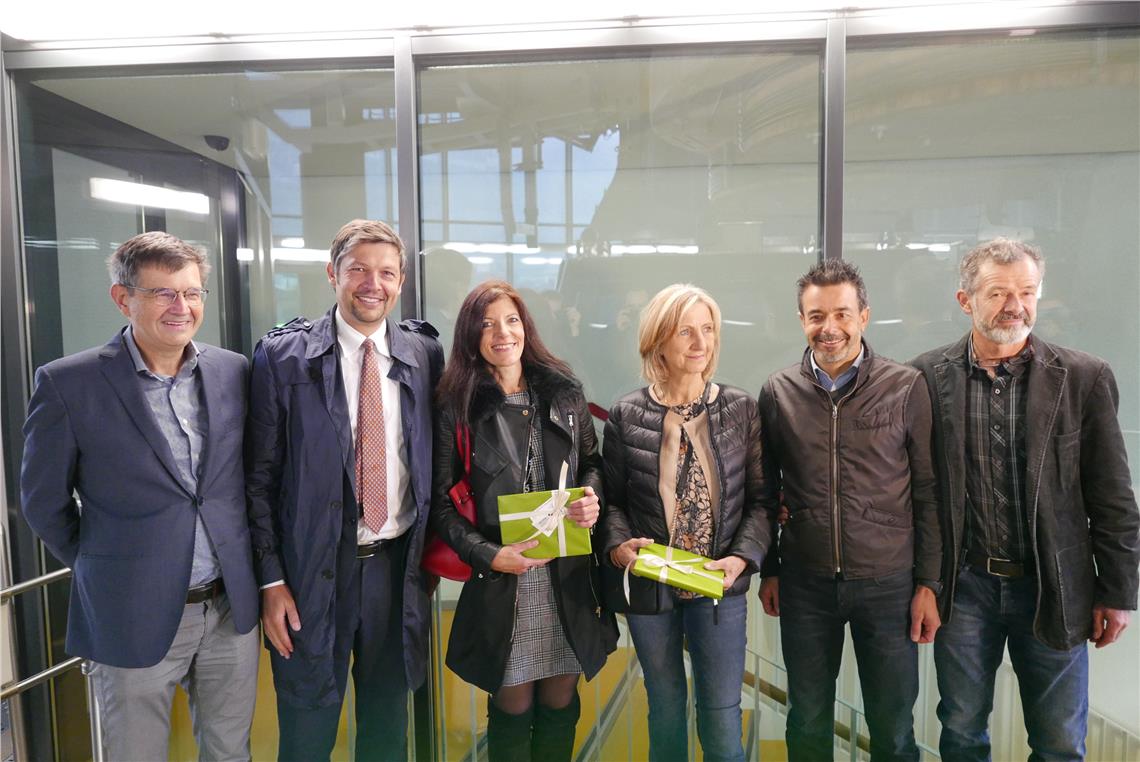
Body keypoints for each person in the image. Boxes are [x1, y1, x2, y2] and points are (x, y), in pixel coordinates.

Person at [20, 232, 259, 761]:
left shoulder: (233, 370)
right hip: (127, 610)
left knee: (230, 753)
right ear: (122, 298)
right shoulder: (69, 383)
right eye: (162, 293)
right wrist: (106, 565)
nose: (182, 307)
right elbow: (42, 502)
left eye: (192, 293)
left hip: (229, 608)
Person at [911, 238, 1139, 761]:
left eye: (1027, 291)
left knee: (1059, 741)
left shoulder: (1084, 378)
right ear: (966, 300)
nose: (1015, 305)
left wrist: (1118, 591)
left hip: (1055, 585)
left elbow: (1112, 496)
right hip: (964, 588)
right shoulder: (923, 377)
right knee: (961, 731)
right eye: (998, 293)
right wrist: (924, 582)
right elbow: (913, 491)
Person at [245, 219, 443, 761]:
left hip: (396, 571)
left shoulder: (423, 354)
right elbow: (258, 480)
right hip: (310, 574)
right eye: (358, 270)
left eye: (386, 272)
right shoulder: (283, 358)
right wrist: (271, 580)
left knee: (387, 730)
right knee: (308, 731)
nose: (372, 284)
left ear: (401, 280)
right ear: (333, 274)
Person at [757, 259, 941, 762]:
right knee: (807, 719)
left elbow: (928, 492)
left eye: (842, 313)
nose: (830, 327)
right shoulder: (778, 392)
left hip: (889, 584)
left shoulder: (905, 386)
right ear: (801, 320)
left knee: (893, 727)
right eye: (817, 316)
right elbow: (765, 490)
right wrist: (770, 568)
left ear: (864, 316)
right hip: (805, 584)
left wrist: (929, 583)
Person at [430, 279, 616, 762]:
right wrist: (491, 555)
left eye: (511, 320)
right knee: (512, 705)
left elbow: (592, 463)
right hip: (505, 579)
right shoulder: (457, 405)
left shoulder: (564, 392)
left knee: (560, 702)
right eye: (487, 324)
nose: (502, 333)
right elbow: (441, 505)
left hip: (568, 575)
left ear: (526, 327)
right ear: (471, 335)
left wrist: (592, 498)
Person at [601, 283, 771, 762]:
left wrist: (742, 559)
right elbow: (612, 503)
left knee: (721, 718)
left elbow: (762, 502)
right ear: (658, 341)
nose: (701, 342)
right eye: (685, 331)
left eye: (708, 329)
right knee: (665, 710)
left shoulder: (740, 408)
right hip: (650, 586)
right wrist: (618, 546)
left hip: (719, 588)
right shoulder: (626, 413)